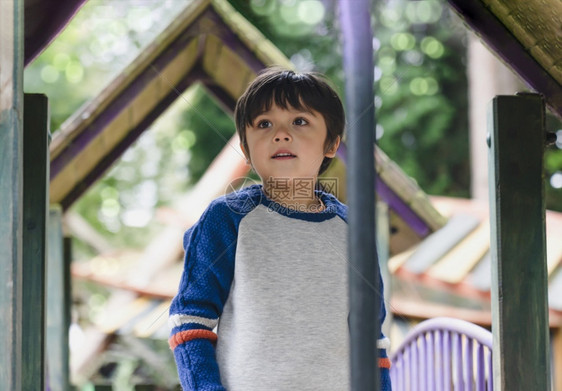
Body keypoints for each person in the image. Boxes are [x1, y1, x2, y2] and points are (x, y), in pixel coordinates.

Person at [168, 67, 391, 390]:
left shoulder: (354, 233)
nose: (281, 134)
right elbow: (189, 320)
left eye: (300, 121)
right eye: (264, 124)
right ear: (245, 148)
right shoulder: (225, 219)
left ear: (331, 143)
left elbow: (372, 341)